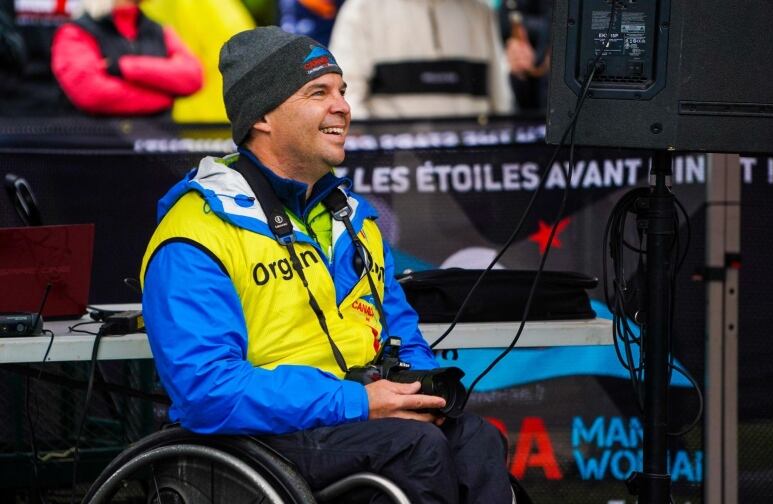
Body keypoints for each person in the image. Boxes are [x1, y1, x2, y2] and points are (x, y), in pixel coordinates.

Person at [140, 26, 527, 503]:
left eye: (342, 91)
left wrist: (416, 391)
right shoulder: (195, 231)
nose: (343, 106)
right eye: (318, 92)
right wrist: (358, 402)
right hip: (256, 438)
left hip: (350, 420)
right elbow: (207, 389)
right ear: (262, 115)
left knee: (475, 439)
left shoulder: (355, 219)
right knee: (417, 448)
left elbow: (400, 328)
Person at [328, 0, 514, 119]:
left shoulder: (481, 12)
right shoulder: (361, 10)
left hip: (474, 167)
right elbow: (347, 102)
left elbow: (501, 101)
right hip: (395, 170)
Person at [50, 0, 202, 116]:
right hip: (96, 147)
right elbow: (91, 94)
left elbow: (193, 76)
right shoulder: (75, 31)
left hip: (159, 144)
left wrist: (123, 66)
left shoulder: (157, 29)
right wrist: (166, 97)